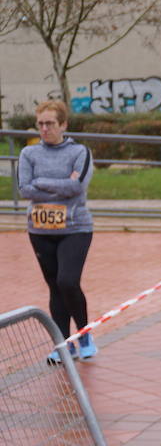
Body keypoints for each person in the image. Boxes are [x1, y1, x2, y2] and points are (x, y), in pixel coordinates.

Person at [21, 100, 96, 362]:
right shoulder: (29, 155)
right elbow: (24, 188)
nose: (44, 129)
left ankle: (84, 334)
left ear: (63, 124)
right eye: (40, 124)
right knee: (54, 286)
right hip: (40, 229)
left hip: (75, 228)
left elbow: (77, 187)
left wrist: (41, 183)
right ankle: (64, 345)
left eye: (50, 123)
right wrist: (61, 184)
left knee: (68, 281)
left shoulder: (79, 152)